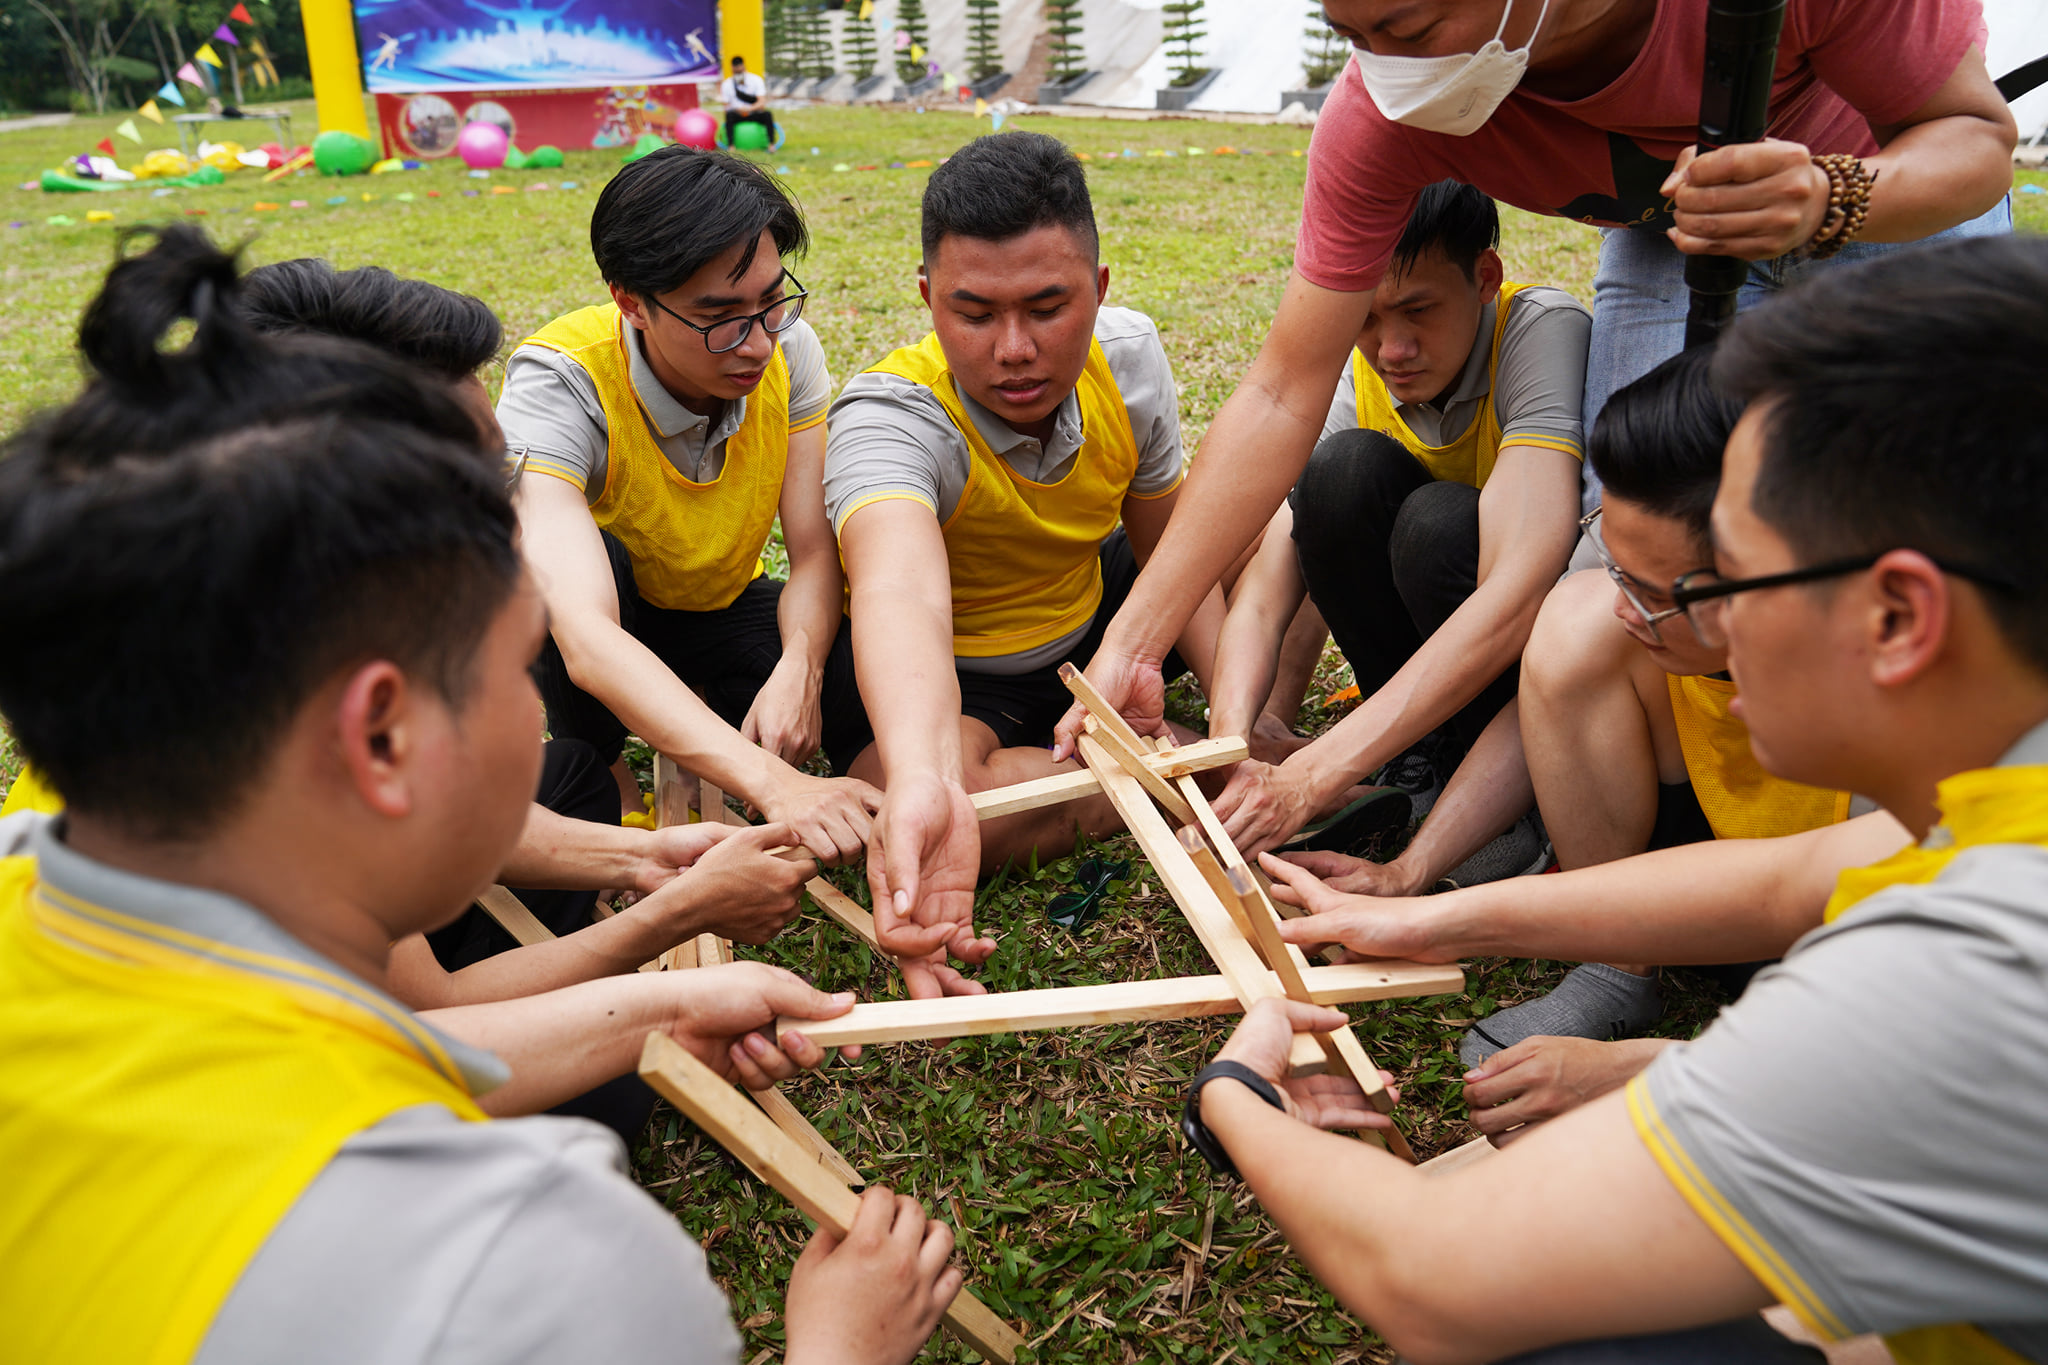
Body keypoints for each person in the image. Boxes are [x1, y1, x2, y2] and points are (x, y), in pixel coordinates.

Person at [0, 228, 964, 1365]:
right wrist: (842, 1349)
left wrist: (660, 975)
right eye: (517, 667)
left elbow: (372, 1036)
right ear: (380, 737)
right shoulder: (529, 1264)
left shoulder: (39, 850)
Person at [1190, 235, 2048, 1363]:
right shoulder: (2003, 794)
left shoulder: (1971, 969)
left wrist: (1234, 1100)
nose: (1688, 633)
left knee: (1562, 1335)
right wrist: (1424, 913)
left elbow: (1433, 1277)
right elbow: (1793, 877)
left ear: (1895, 617)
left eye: (1724, 578)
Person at [1052, 0, 2015, 787]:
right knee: (1629, 564)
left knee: (1938, 530)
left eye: (1409, 30)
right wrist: (1135, 644)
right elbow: (1278, 390)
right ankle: (1637, 858)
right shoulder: (1383, 114)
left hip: (1877, 200)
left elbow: (1974, 140)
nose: (1384, 74)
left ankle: (1927, 817)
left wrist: (1832, 195)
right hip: (1668, 236)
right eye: (1353, 37)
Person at [235, 255, 818, 1141]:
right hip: (261, 1086)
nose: (508, 520)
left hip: (331, 928)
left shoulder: (294, 597)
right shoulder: (272, 721)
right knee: (601, 1102)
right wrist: (677, 930)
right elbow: (425, 1025)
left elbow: (443, 810)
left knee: (573, 776)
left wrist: (644, 860)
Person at [824, 131, 1223, 1000]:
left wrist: (1239, 717)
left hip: (1098, 635)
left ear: (1100, 289)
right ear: (928, 300)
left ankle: (1180, 757)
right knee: (918, 803)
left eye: (1047, 308)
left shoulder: (1128, 356)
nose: (1013, 349)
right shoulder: (889, 417)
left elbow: (1171, 548)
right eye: (975, 314)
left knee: (1258, 520)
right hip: (962, 683)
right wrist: (926, 780)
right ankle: (1161, 768)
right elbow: (901, 594)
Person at [500, 146, 879, 865]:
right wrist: (777, 784)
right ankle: (608, 764)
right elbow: (584, 632)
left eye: (772, 301)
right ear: (631, 301)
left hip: (716, 606)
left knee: (838, 635)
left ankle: (703, 700)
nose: (758, 341)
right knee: (559, 585)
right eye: (720, 316)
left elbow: (812, 551)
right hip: (616, 618)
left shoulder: (789, 350)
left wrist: (800, 664)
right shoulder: (560, 384)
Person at [1204, 181, 1587, 860]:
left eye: (1418, 310)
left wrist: (1318, 773)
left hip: (1526, 673)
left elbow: (1518, 592)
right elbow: (1267, 595)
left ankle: (1512, 797)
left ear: (1485, 278)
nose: (1392, 349)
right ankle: (1416, 760)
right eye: (1367, 320)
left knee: (1436, 524)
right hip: (1426, 666)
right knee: (1338, 473)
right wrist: (1233, 746)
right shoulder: (1362, 372)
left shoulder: (1542, 333)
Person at [719, 55, 777, 148]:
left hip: (753, 112)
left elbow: (762, 102)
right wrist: (738, 110)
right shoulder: (727, 84)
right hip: (737, 114)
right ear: (732, 69)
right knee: (729, 115)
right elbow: (726, 106)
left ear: (744, 67)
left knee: (767, 115)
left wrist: (749, 109)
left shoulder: (756, 80)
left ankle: (771, 145)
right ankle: (731, 146)